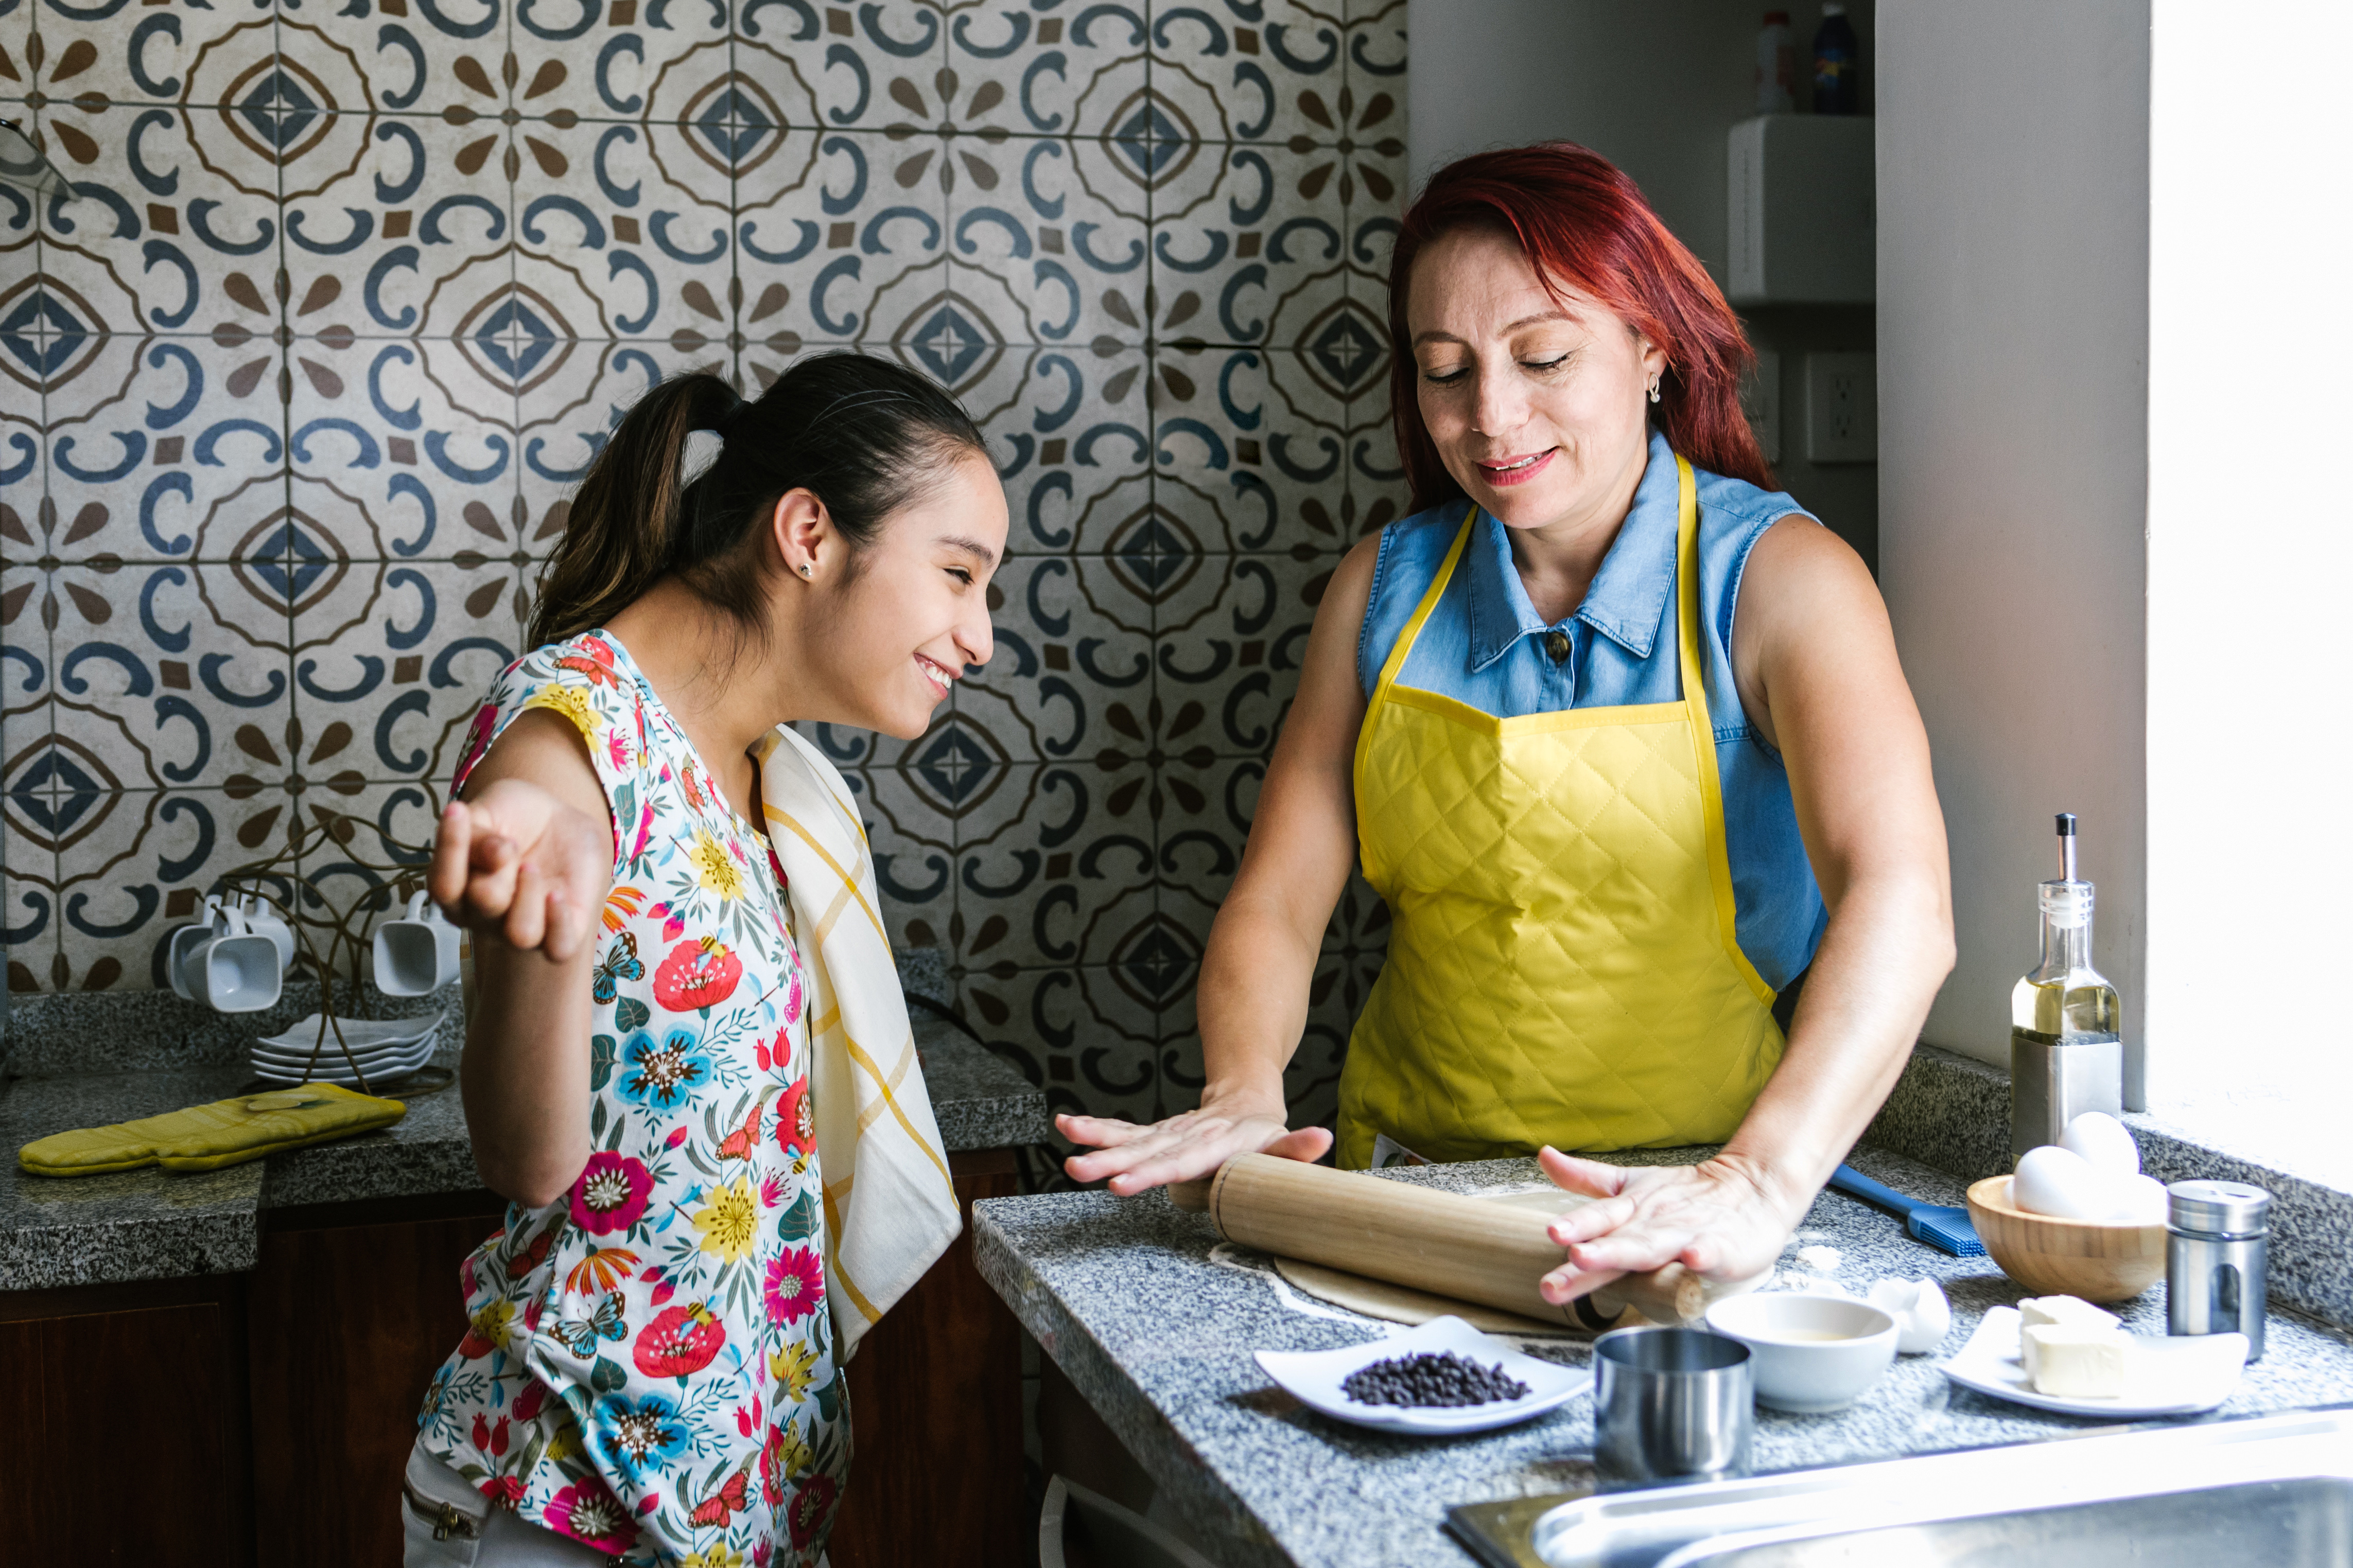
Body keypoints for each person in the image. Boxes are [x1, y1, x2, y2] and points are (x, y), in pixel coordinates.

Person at [1061, 143, 1955, 1309]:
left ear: (1648, 347)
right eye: (1444, 369)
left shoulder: (1781, 583)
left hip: (1686, 1209)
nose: (1489, 416)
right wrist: (1241, 1087)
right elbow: (1277, 898)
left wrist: (1755, 1177)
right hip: (1411, 1203)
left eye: (1541, 356)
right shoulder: (1381, 589)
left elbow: (1903, 901)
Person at [401, 354, 1006, 1565]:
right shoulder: (568, 734)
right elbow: (529, 1159)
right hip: (577, 1494)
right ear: (807, 534)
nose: (978, 637)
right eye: (957, 575)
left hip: (735, 1492)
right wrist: (545, 912)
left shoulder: (756, 765)